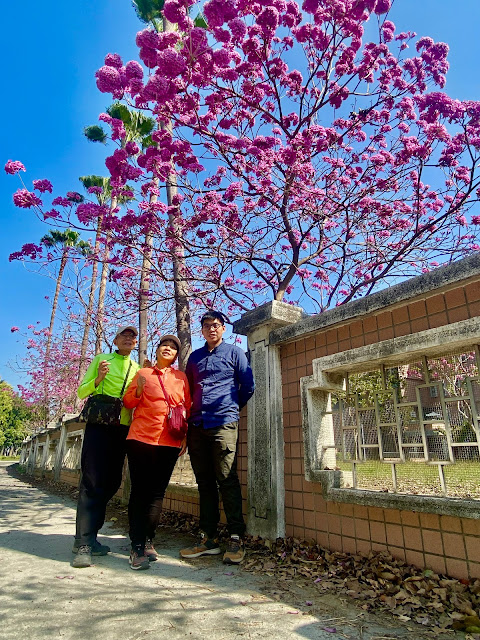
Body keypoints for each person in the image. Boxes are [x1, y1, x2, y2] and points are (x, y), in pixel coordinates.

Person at [180, 310, 255, 565]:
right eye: (206, 326)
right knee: (204, 482)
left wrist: (232, 409)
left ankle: (235, 537)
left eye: (216, 325)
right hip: (197, 424)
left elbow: (248, 386)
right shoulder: (195, 358)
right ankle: (208, 538)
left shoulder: (235, 353)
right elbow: (188, 390)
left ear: (223, 329)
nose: (211, 329)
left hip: (223, 422)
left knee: (227, 478)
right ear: (201, 331)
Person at [72, 326, 140, 568]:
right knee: (91, 481)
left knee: (111, 482)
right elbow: (82, 391)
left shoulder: (137, 369)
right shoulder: (102, 359)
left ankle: (90, 535)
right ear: (115, 339)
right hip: (99, 424)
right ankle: (83, 543)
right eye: (124, 335)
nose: (129, 339)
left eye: (132, 337)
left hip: (122, 427)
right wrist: (98, 378)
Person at [123, 335, 191, 570]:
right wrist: (138, 391)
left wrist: (184, 437)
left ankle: (149, 539)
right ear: (158, 349)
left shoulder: (181, 378)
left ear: (175, 355)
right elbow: (128, 402)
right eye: (165, 345)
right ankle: (136, 546)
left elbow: (186, 408)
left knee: (157, 493)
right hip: (141, 438)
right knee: (140, 492)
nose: (168, 349)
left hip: (169, 442)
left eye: (173, 348)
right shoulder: (143, 374)